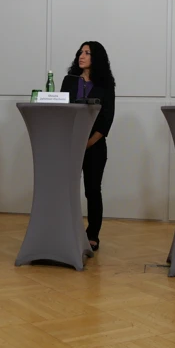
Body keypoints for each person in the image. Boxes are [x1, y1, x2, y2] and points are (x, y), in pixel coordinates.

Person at [60, 41, 116, 251]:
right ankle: (67, 229)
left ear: (97, 58)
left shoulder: (106, 84)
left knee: (92, 190)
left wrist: (88, 142)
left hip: (94, 146)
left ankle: (93, 234)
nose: (81, 56)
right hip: (69, 144)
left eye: (87, 53)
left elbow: (107, 118)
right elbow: (62, 109)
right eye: (80, 52)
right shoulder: (69, 81)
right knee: (67, 189)